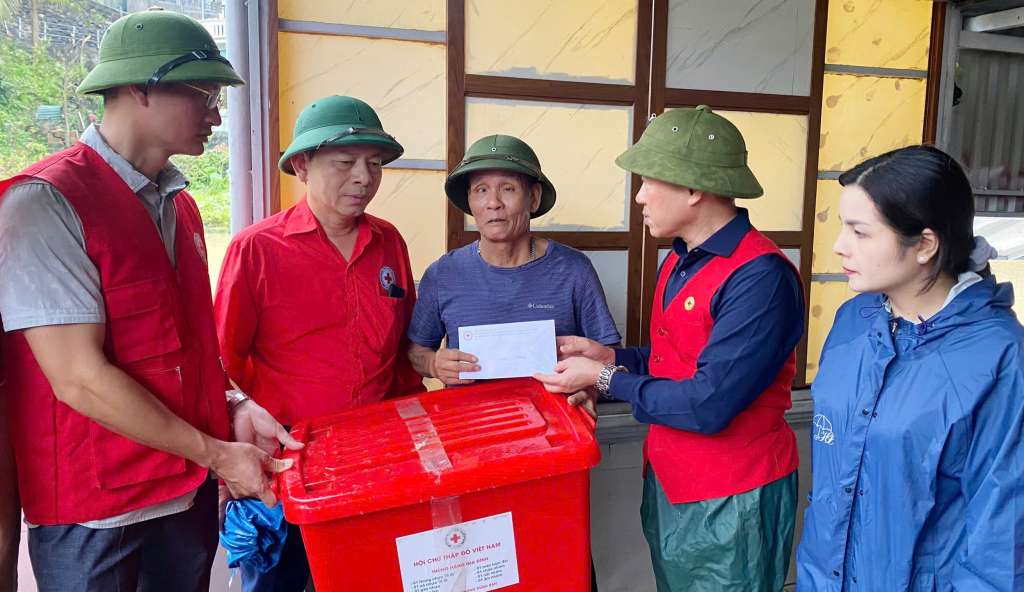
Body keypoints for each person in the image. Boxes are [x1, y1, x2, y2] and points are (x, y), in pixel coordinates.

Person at [0, 10, 299, 591]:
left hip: (183, 495)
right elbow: (78, 378)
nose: (216, 115)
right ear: (140, 89)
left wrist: (234, 405)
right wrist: (216, 454)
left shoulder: (180, 206)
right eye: (203, 95)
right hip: (98, 508)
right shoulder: (47, 204)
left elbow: (182, 344)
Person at [534, 106, 805, 592]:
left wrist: (601, 379)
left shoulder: (760, 277)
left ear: (693, 188)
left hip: (733, 492)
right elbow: (673, 360)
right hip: (672, 477)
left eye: (648, 181)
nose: (638, 196)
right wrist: (608, 357)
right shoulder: (680, 259)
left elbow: (709, 402)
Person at [215, 94, 427, 592]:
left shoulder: (389, 241)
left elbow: (402, 351)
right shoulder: (257, 249)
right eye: (345, 163)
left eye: (374, 164)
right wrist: (231, 451)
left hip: (377, 454)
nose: (363, 177)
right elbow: (221, 359)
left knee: (372, 578)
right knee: (278, 583)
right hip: (286, 457)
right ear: (303, 166)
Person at [795, 146, 1024, 591]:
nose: (840, 246)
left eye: (860, 232)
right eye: (843, 227)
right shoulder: (852, 321)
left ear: (924, 244)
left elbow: (1001, 533)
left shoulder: (1000, 356)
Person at [407, 134, 621, 406]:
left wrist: (589, 391)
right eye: (481, 190)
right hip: (469, 428)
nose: (493, 202)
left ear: (533, 198)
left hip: (555, 429)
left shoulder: (573, 270)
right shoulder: (443, 274)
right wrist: (434, 364)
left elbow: (610, 357)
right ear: (470, 202)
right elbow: (415, 351)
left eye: (507, 188)